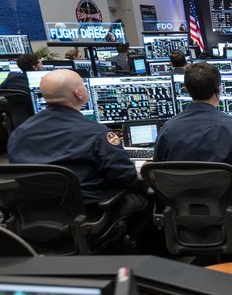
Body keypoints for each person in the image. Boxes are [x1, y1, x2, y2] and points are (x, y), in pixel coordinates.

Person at [7, 70, 145, 217]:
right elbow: (125, 178)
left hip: (33, 215)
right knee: (146, 199)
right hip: (89, 212)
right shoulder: (96, 133)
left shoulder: (19, 133)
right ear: (79, 94)